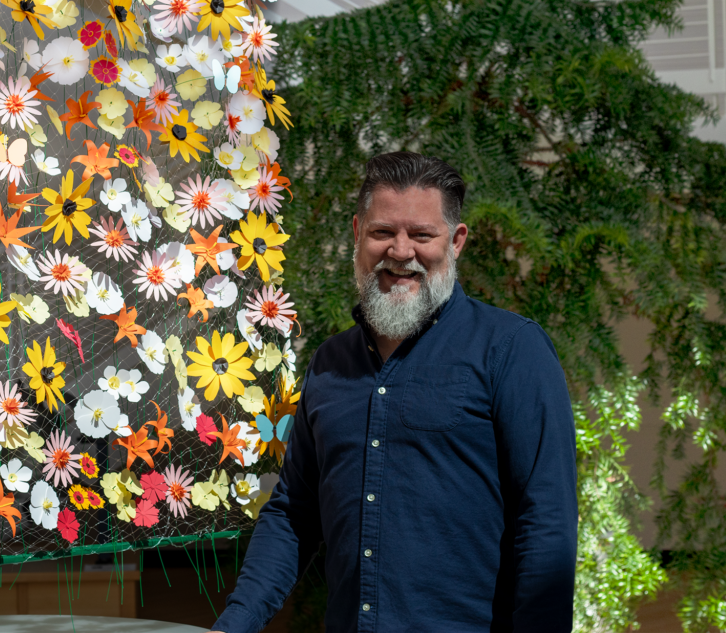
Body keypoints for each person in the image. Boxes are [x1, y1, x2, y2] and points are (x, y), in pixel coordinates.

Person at [208, 152, 578, 633]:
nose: (401, 252)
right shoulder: (330, 363)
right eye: (384, 232)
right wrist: (234, 624)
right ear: (358, 233)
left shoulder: (511, 350)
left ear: (456, 241)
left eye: (422, 235)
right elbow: (294, 513)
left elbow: (546, 522)